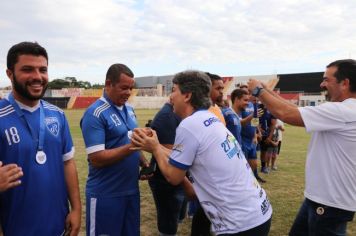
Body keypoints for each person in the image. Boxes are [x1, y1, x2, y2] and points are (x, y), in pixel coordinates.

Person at [132, 70, 272, 236]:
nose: (171, 97)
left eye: (174, 90)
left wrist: (155, 148)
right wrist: (156, 145)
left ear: (187, 96)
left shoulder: (189, 125)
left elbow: (173, 176)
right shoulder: (209, 118)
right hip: (257, 212)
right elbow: (188, 179)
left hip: (240, 223)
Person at [248, 59, 356, 236]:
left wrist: (259, 91)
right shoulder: (343, 110)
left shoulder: (344, 111)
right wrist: (267, 91)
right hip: (321, 199)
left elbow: (286, 113)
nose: (322, 84)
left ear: (345, 83)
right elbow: (292, 108)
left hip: (329, 204)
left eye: (326, 79)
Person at [0, 42, 81, 235]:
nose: (37, 77)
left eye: (42, 70)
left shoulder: (58, 115)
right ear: (10, 74)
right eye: (27, 69)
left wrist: (76, 209)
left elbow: (68, 163)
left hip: (59, 227)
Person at [80, 63, 149, 236]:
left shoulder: (130, 110)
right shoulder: (95, 113)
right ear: (109, 84)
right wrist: (133, 146)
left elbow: (132, 139)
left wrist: (144, 162)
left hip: (131, 190)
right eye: (124, 87)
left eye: (131, 88)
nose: (128, 92)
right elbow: (96, 158)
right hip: (106, 194)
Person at [148, 100, 187, 236]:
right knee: (168, 225)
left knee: (175, 218)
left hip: (178, 176)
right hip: (166, 180)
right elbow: (170, 153)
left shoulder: (177, 113)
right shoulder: (167, 116)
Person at [239, 86, 266, 183]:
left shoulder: (252, 105)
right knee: (245, 163)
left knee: (254, 162)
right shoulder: (241, 106)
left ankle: (255, 176)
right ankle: (247, 180)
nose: (249, 95)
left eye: (249, 92)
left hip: (252, 138)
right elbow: (240, 122)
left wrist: (256, 133)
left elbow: (255, 120)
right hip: (243, 138)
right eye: (246, 93)